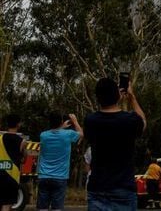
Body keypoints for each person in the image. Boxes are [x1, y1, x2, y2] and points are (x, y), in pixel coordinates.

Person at [84, 77, 146, 211]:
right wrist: (132, 97)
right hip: (123, 188)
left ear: (98, 98)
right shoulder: (130, 120)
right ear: (118, 95)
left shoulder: (90, 121)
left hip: (97, 188)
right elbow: (143, 121)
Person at [36, 112, 83, 211]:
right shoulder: (68, 134)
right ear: (61, 122)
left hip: (44, 176)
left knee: (42, 208)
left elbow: (54, 132)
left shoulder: (43, 135)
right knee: (57, 208)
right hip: (60, 177)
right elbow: (81, 134)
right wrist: (75, 121)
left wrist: (61, 126)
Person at [0, 114, 26, 211]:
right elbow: (23, 159)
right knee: (7, 205)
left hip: (1, 172)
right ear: (18, 124)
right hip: (12, 176)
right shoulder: (21, 141)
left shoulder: (0, 138)